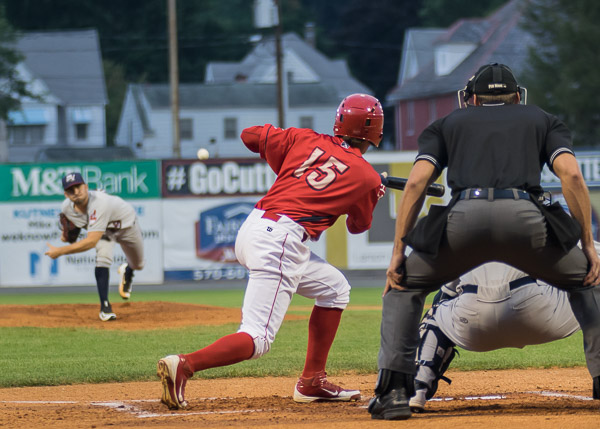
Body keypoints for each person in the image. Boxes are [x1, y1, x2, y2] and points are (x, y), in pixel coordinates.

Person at [368, 63, 600, 421]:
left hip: (465, 217)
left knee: (404, 287)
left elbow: (415, 185)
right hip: (526, 218)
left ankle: (396, 392)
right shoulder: (542, 118)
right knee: (589, 280)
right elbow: (570, 174)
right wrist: (586, 242)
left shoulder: (446, 124)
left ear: (471, 98)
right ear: (516, 96)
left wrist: (398, 253)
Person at [156, 93, 387, 410]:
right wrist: (375, 191)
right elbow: (357, 227)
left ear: (339, 121)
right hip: (281, 240)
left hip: (253, 227)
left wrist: (291, 162)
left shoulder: (304, 138)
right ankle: (185, 364)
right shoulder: (367, 177)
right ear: (376, 131)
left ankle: (312, 381)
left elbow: (249, 135)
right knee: (257, 338)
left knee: (335, 289)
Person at [409, 261, 584, 412]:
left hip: (473, 320)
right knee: (592, 297)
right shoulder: (537, 224)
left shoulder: (464, 232)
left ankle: (418, 387)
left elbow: (445, 293)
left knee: (436, 314)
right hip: (537, 314)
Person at [45, 172, 145, 321]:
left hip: (126, 227)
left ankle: (128, 270)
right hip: (104, 233)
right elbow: (72, 233)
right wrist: (66, 236)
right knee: (102, 258)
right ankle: (105, 307)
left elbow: (91, 241)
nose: (76, 192)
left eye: (78, 187)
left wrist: (60, 251)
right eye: (71, 190)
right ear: (66, 194)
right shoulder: (66, 208)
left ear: (86, 187)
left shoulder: (99, 202)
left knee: (138, 264)